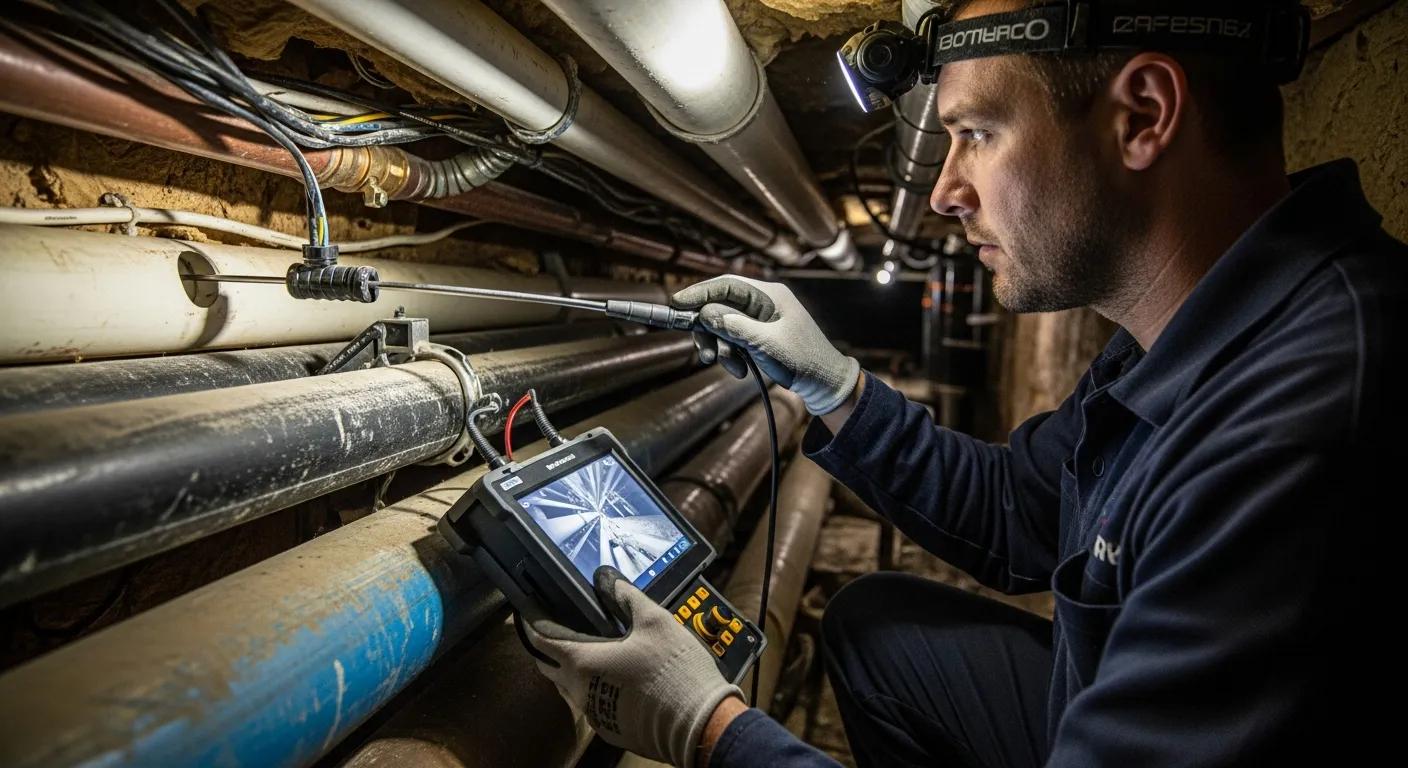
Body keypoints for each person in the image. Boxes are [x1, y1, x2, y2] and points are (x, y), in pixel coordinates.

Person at [522, 1, 1406, 765]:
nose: (945, 190)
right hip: (1105, 701)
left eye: (976, 133)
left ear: (1141, 116)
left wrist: (710, 729)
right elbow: (1025, 510)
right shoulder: (1191, 329)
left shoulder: (1308, 420)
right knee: (876, 629)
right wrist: (835, 387)